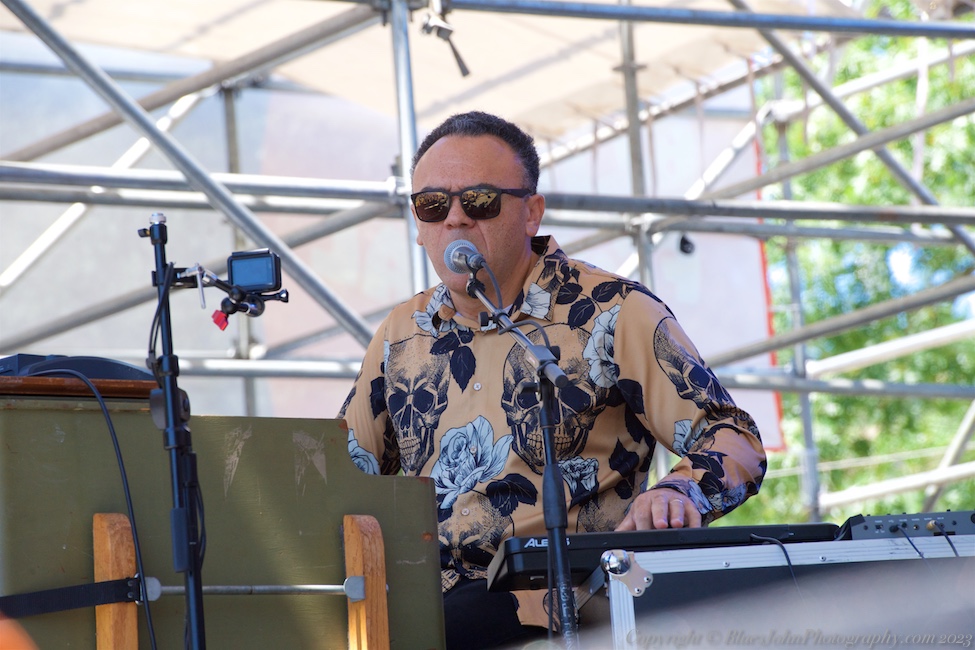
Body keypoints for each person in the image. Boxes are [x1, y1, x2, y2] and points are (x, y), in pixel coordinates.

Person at [338, 111, 766, 649]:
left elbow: (733, 435)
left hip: (557, 603)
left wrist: (680, 491)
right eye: (432, 205)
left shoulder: (613, 311)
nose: (455, 220)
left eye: (479, 202)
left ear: (531, 213)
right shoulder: (400, 333)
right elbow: (342, 473)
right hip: (418, 599)